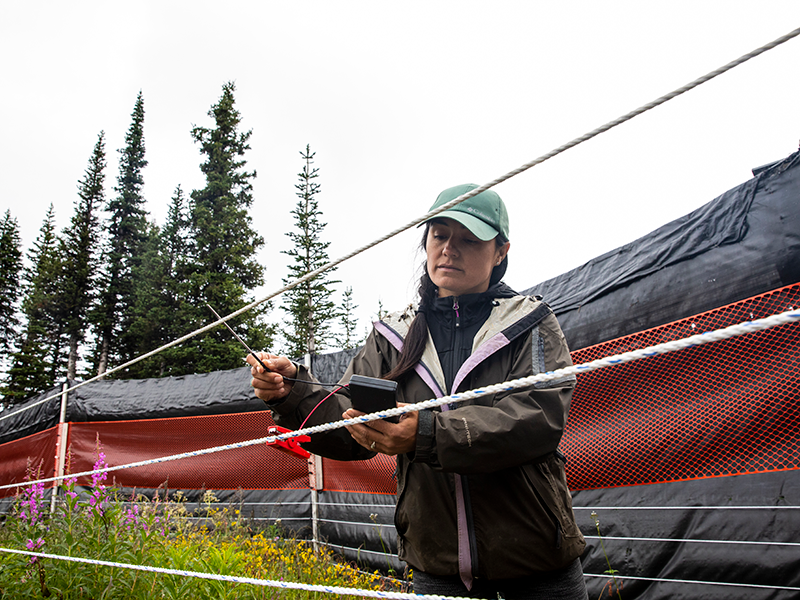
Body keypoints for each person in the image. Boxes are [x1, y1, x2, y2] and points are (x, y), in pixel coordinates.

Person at [248, 184, 588, 599]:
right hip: (437, 562)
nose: (449, 249)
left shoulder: (530, 323)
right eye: (440, 235)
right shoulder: (392, 335)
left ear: (501, 251)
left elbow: (537, 419)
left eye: (469, 239)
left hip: (537, 560)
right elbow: (349, 426)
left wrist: (426, 433)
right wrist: (288, 392)